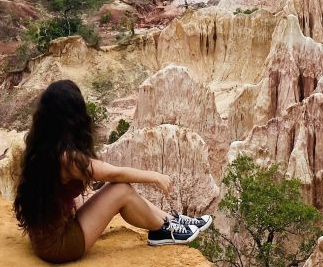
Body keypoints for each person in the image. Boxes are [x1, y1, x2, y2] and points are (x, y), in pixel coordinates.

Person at [14, 79, 211, 264]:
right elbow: (112, 174)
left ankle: (171, 220)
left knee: (99, 192)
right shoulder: (67, 158)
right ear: (74, 116)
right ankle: (161, 231)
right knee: (121, 190)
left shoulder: (42, 146)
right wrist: (155, 177)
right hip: (60, 246)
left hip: (46, 236)